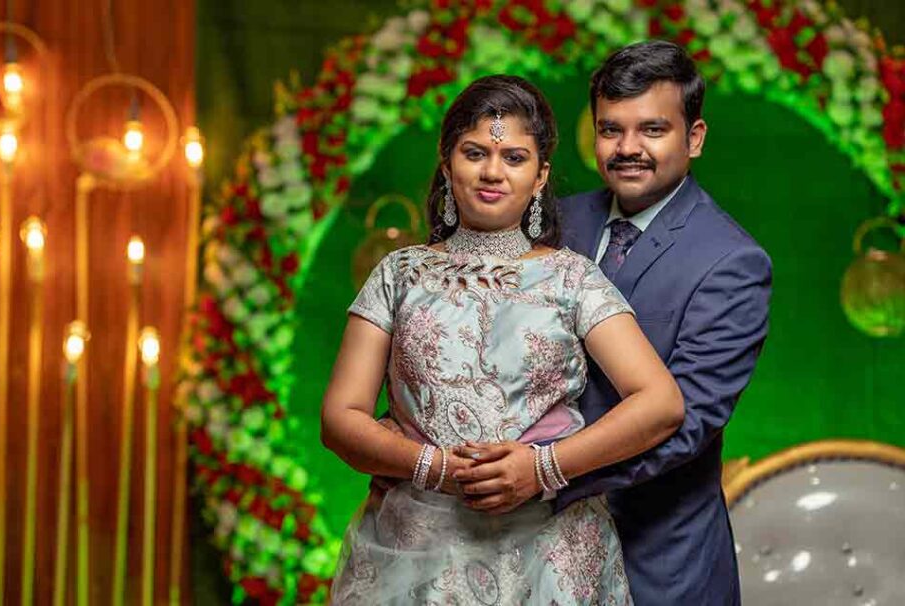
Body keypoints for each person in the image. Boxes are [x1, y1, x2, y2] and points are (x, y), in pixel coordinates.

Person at [321, 74, 684, 604]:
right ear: (448, 164)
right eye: (475, 153)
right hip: (416, 553)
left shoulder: (572, 279)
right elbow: (340, 418)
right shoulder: (399, 274)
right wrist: (432, 468)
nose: (493, 172)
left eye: (514, 158)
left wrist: (543, 467)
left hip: (549, 553)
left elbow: (660, 403)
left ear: (540, 177)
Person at [545, 40, 771, 605]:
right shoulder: (556, 223)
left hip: (660, 564)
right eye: (611, 130)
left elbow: (684, 424)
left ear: (694, 138)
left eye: (652, 129)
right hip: (531, 552)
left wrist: (543, 474)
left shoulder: (732, 261)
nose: (628, 148)